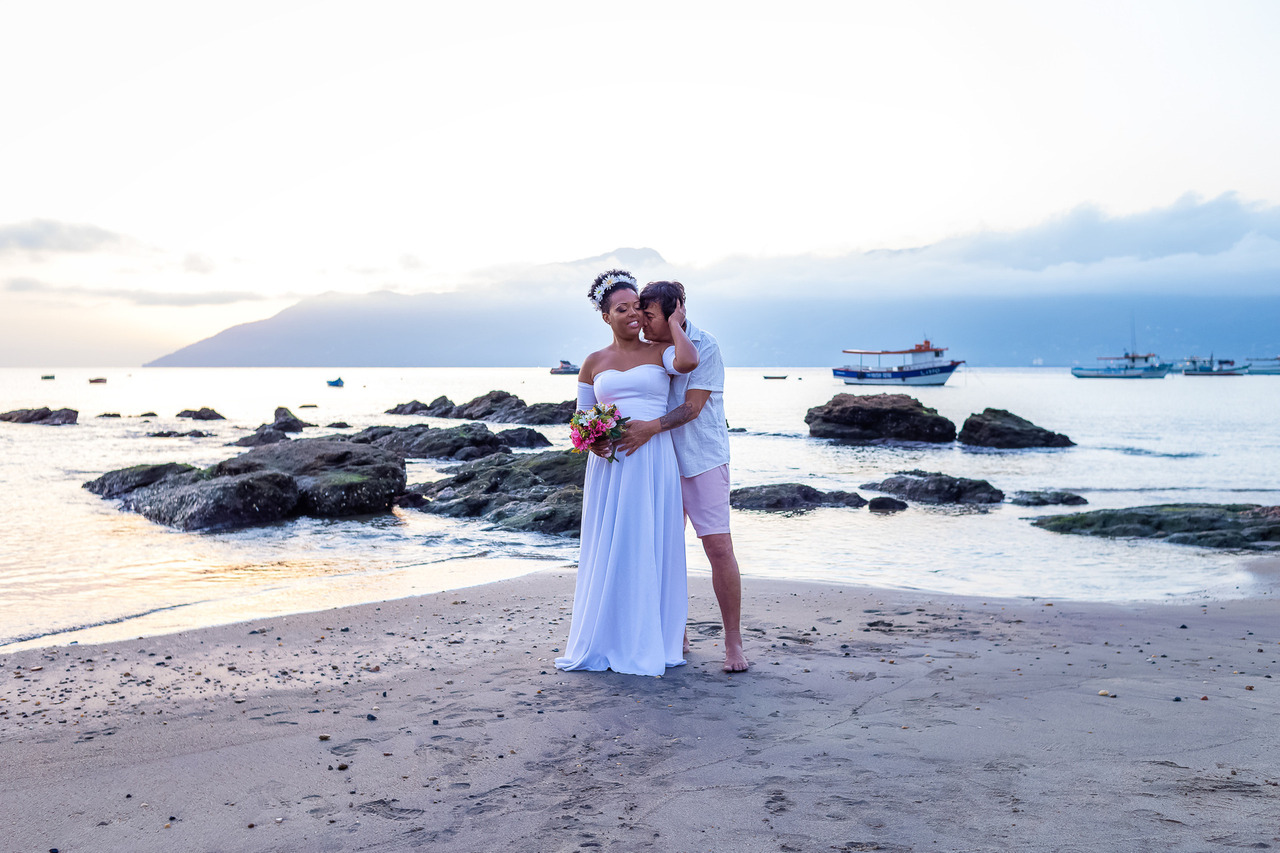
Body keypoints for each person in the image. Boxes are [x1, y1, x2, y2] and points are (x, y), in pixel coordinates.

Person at [554, 269, 699, 676]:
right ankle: (608, 636)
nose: (633, 314)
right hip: (610, 466)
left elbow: (689, 361)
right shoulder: (593, 362)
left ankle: (652, 637)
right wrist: (591, 439)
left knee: (650, 541)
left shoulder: (661, 351)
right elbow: (580, 419)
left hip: (654, 459)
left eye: (638, 306)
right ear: (606, 316)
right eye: (622, 308)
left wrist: (673, 321)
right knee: (611, 545)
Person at [614, 280, 748, 672]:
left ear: (674, 314)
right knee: (662, 549)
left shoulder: (704, 345)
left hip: (703, 457)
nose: (640, 319)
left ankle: (733, 644)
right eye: (638, 311)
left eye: (649, 314)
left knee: (718, 548)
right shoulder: (649, 348)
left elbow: (691, 408)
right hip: (659, 461)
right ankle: (675, 632)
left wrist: (649, 428)